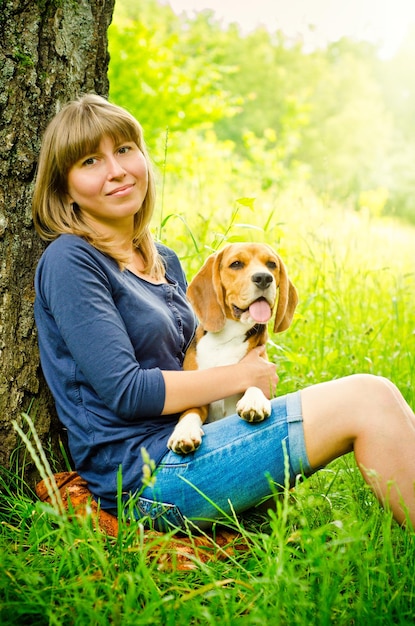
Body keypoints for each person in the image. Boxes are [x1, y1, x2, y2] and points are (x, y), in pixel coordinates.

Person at [32, 94, 415, 532]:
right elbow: (126, 392)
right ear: (64, 186)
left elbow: (203, 354)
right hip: (146, 479)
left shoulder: (163, 260)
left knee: (383, 398)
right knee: (369, 398)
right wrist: (244, 377)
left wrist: (246, 375)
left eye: (124, 150)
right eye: (89, 161)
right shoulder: (71, 261)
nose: (116, 169)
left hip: (202, 441)